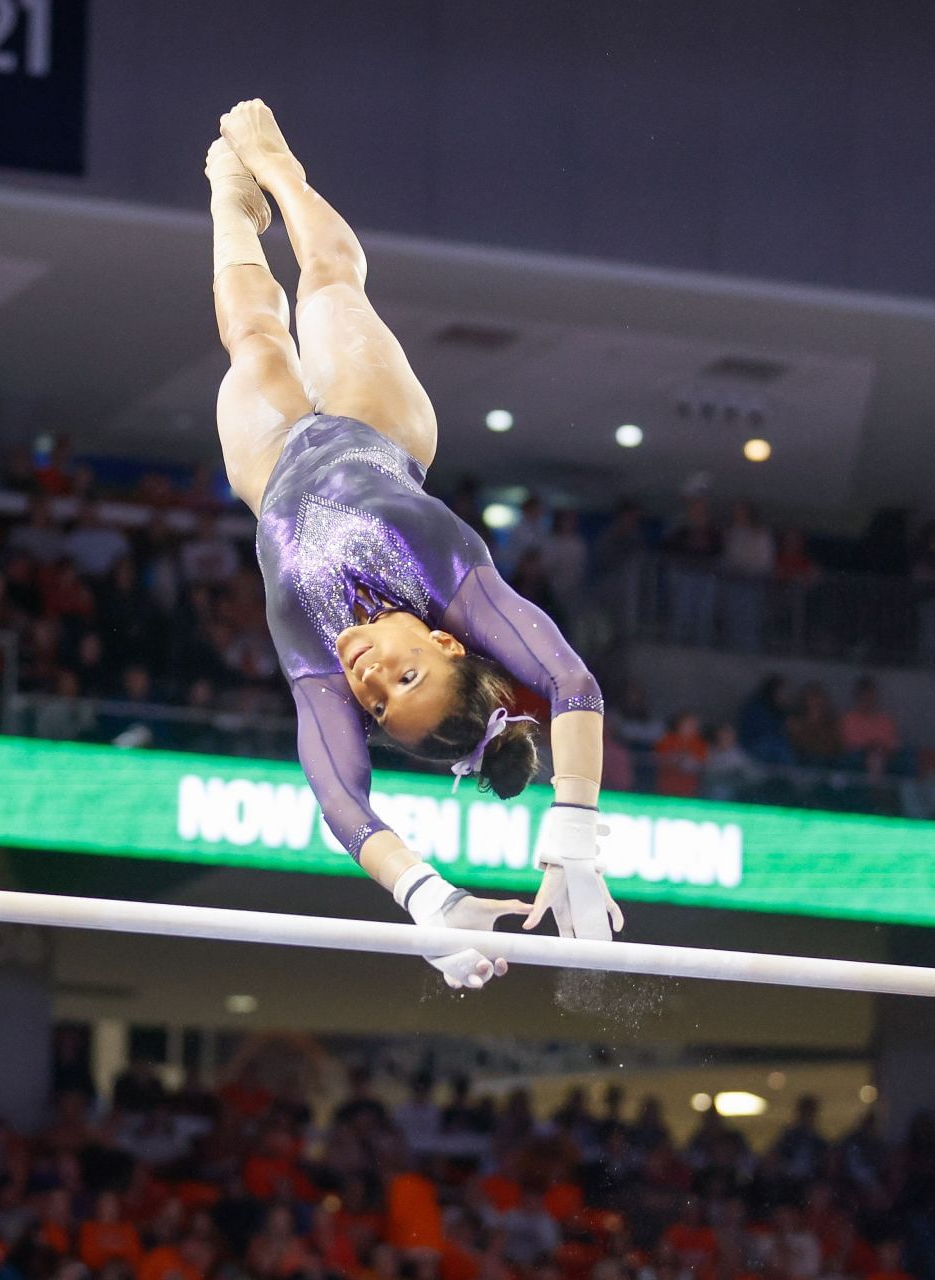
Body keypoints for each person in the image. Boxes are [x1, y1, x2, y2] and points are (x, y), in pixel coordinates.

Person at [205, 101, 619, 987]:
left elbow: (341, 801)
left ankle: (227, 207)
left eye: (381, 707)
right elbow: (571, 683)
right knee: (328, 285)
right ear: (441, 641)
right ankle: (281, 168)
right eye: (407, 677)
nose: (369, 682)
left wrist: (428, 900)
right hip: (375, 426)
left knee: (253, 335)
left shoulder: (317, 659)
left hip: (272, 469)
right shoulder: (456, 585)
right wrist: (574, 830)